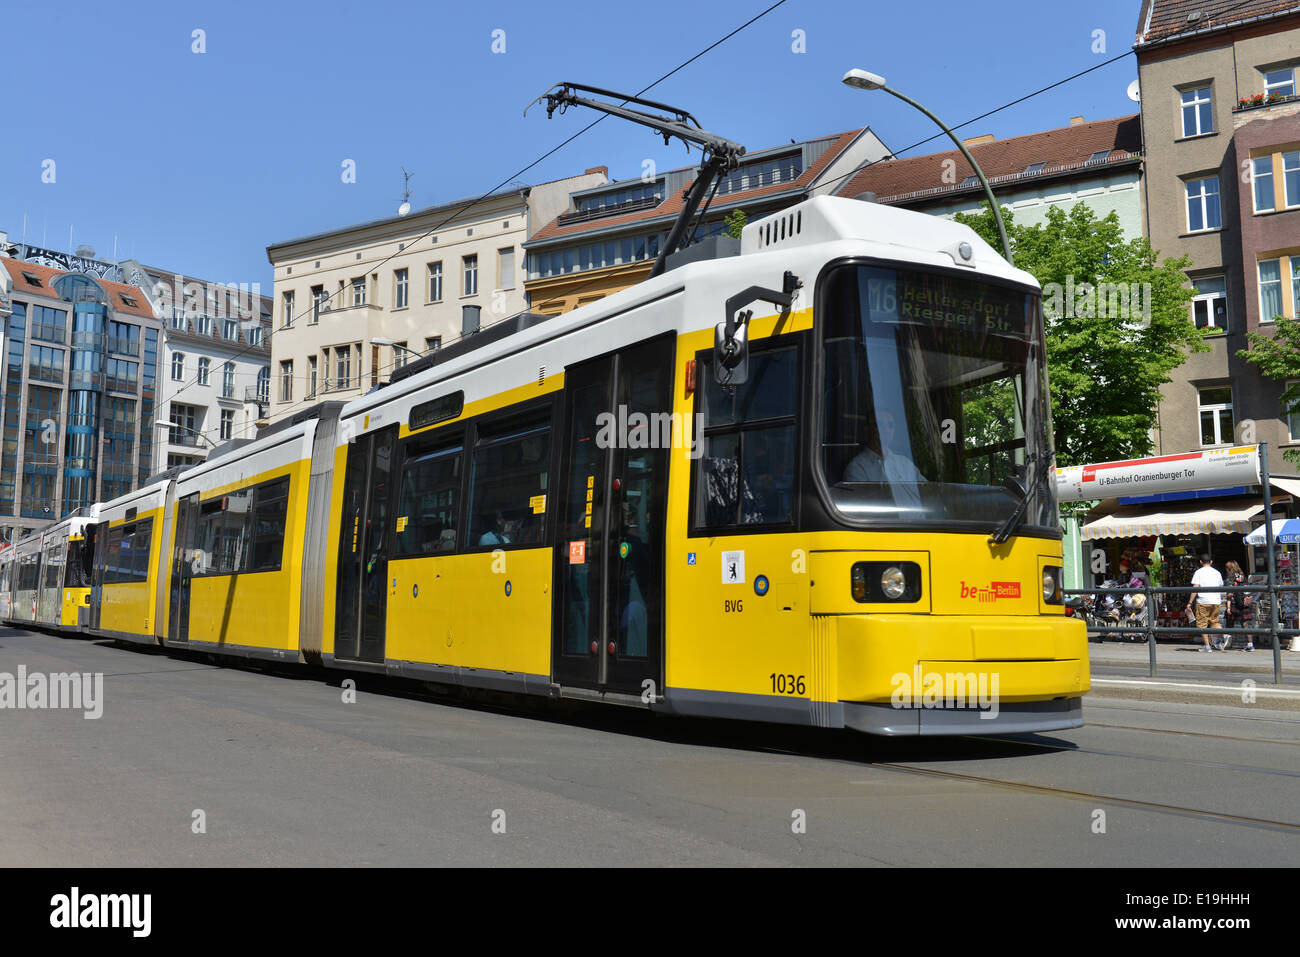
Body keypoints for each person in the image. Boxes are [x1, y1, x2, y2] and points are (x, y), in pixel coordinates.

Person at [1188, 554, 1225, 652]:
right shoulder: (1217, 573)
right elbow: (1221, 587)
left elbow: (1195, 587)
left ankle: (1207, 646)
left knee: (1202, 624)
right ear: (1211, 562)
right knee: (1215, 622)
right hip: (1216, 601)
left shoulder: (1198, 572)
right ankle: (1223, 637)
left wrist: (1190, 602)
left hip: (1203, 600)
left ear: (1200, 562)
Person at [1221, 560, 1253, 651]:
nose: (1226, 570)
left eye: (1227, 568)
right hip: (1244, 603)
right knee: (1245, 624)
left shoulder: (1230, 579)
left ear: (1229, 569)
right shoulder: (1242, 576)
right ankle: (1250, 644)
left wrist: (1228, 607)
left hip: (1234, 604)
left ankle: (1228, 644)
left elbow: (1230, 594)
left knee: (1230, 624)